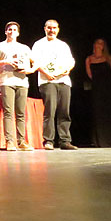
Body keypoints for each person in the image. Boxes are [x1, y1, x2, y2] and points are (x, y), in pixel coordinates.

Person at [32, 19, 77, 150]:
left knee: (64, 111)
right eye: (49, 28)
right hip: (47, 81)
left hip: (63, 81)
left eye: (54, 28)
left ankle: (65, 140)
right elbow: (34, 61)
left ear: (58, 29)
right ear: (45, 29)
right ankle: (48, 140)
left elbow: (71, 61)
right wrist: (45, 73)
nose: (52, 30)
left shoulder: (63, 45)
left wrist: (68, 69)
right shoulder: (39, 44)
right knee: (50, 111)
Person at [0, 22, 35, 151]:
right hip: (7, 81)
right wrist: (6, 61)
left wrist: (30, 70)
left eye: (14, 30)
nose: (12, 32)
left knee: (21, 113)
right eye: (9, 29)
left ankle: (21, 141)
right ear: (5, 32)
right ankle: (10, 141)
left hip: (22, 82)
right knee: (8, 112)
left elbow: (35, 62)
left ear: (18, 33)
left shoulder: (24, 48)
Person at [85, 38, 111, 147]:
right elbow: (89, 74)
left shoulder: (108, 58)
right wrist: (98, 82)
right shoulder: (89, 59)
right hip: (97, 88)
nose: (99, 45)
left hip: (108, 87)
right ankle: (102, 141)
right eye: (97, 43)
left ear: (104, 46)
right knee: (99, 112)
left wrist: (107, 81)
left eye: (101, 43)